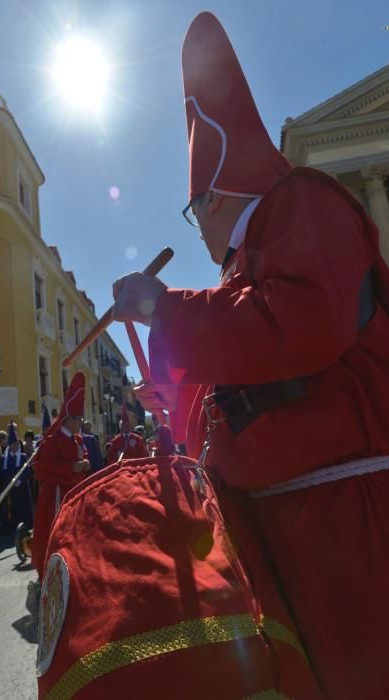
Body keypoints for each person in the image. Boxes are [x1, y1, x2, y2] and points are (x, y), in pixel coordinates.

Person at [110, 12, 389, 699]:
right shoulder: (249, 255)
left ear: (210, 197)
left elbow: (299, 326)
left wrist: (166, 308)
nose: (197, 227)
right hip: (289, 520)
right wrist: (169, 402)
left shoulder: (300, 201)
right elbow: (240, 367)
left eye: (192, 209)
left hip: (340, 515)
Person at [31, 373, 90, 580]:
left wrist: (83, 464)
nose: (80, 423)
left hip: (75, 489)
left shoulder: (77, 438)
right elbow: (46, 464)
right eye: (79, 419)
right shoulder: (53, 440)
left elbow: (83, 455)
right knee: (56, 530)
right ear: (69, 419)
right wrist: (72, 467)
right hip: (57, 493)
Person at [0, 423, 33, 533]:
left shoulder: (23, 457)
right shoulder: (4, 458)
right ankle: (10, 527)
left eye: (17, 444)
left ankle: (25, 526)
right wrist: (9, 481)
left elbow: (27, 470)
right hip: (9, 487)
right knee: (10, 507)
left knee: (22, 506)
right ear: (9, 445)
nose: (15, 446)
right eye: (13, 444)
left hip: (21, 486)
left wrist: (19, 480)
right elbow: (3, 471)